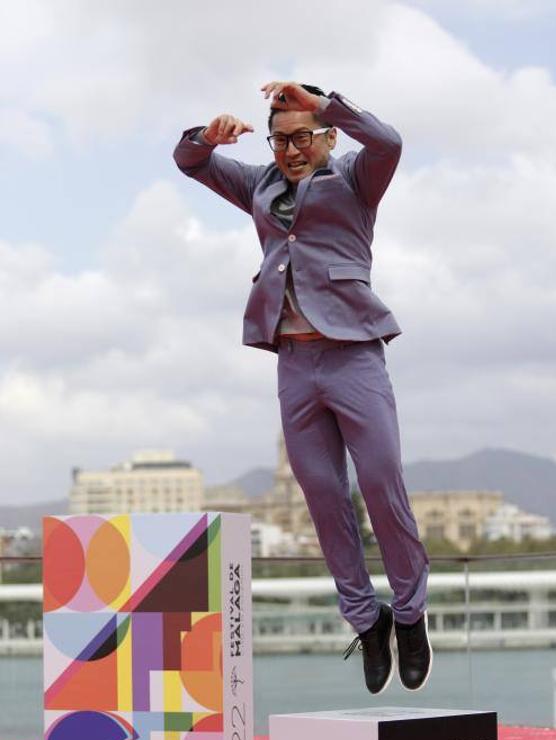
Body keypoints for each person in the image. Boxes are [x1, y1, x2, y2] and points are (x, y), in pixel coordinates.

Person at [173, 81, 431, 695]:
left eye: (301, 137)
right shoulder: (259, 185)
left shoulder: (356, 177)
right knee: (321, 496)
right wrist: (207, 138)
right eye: (279, 139)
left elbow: (390, 140)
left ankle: (412, 614)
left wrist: (325, 100)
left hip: (354, 357)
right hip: (293, 362)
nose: (289, 150)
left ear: (328, 135)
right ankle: (367, 624)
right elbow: (189, 162)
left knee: (381, 481)